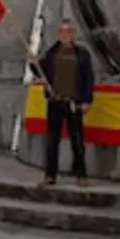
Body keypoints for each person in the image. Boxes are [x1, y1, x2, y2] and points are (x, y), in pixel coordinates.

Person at [34, 20, 96, 186]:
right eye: (62, 31)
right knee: (52, 141)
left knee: (77, 141)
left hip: (73, 103)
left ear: (73, 34)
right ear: (58, 34)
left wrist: (87, 100)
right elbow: (40, 70)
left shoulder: (81, 54)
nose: (65, 35)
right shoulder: (52, 53)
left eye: (68, 31)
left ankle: (81, 175)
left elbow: (88, 79)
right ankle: (50, 175)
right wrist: (33, 62)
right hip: (55, 101)